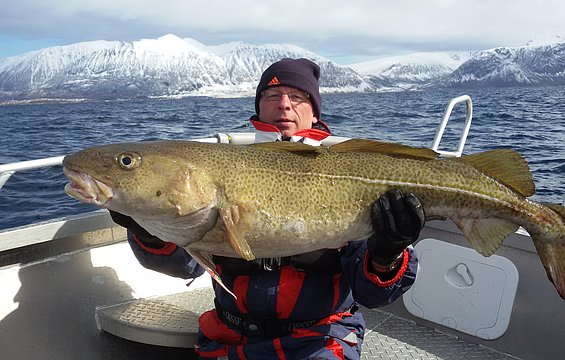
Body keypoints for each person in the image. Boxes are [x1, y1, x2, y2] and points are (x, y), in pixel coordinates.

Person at [110, 58, 424, 359]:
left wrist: (387, 256)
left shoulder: (350, 173)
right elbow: (183, 267)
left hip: (320, 341)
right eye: (273, 95)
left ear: (315, 112)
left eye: (298, 97)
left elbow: (374, 295)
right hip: (228, 338)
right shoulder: (221, 169)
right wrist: (148, 231)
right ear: (258, 106)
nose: (284, 104)